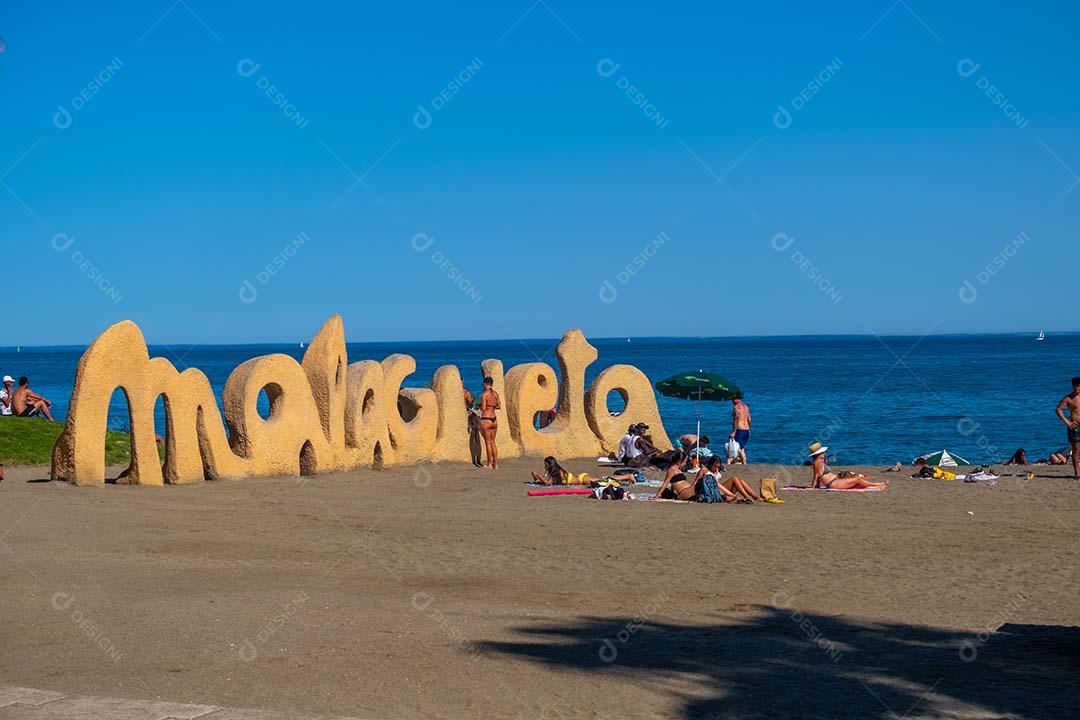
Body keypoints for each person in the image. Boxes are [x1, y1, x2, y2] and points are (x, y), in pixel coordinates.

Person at [809, 442, 888, 490]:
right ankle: (879, 484)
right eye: (823, 452)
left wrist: (818, 486)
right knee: (858, 479)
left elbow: (819, 474)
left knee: (856, 484)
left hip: (835, 481)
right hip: (833, 484)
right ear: (818, 454)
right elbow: (816, 475)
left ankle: (878, 487)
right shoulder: (817, 462)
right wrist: (813, 487)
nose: (824, 453)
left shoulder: (821, 461)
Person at [530, 456, 638, 486]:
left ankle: (628, 476)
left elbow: (548, 483)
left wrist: (538, 476)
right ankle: (626, 478)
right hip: (582, 477)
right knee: (604, 480)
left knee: (605, 480)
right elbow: (547, 481)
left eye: (545, 464)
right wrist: (536, 477)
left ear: (550, 465)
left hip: (583, 479)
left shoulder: (557, 473)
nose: (544, 466)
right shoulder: (555, 472)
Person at [1054, 377, 1080, 479]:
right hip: (1075, 426)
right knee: (1076, 449)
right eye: (1075, 386)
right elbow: (1058, 409)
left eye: (1078, 386)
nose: (1077, 388)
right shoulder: (1068, 398)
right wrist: (1067, 422)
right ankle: (1077, 473)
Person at [479, 376, 500, 469]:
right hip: (494, 419)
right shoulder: (496, 394)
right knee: (493, 442)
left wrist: (479, 406)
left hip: (486, 419)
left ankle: (489, 464)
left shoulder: (484, 395)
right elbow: (499, 406)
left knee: (488, 442)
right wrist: (491, 407)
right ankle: (496, 464)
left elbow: (483, 409)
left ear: (484, 384)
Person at [729, 393, 751, 464]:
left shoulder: (736, 408)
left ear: (738, 399)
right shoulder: (746, 407)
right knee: (742, 448)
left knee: (740, 449)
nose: (732, 401)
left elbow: (736, 420)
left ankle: (744, 462)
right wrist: (749, 429)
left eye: (733, 399)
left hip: (740, 430)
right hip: (746, 430)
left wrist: (734, 432)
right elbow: (749, 419)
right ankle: (742, 461)